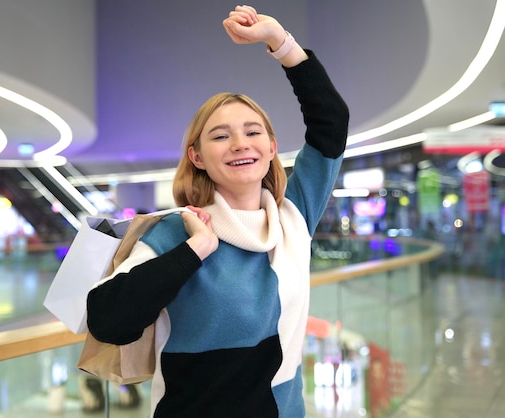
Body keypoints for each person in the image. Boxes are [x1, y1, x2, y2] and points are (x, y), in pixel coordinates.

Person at [86, 5, 349, 417]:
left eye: (253, 132)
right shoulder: (176, 232)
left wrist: (280, 42)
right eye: (221, 136)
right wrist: (195, 250)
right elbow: (109, 320)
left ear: (272, 147)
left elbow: (330, 123)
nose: (241, 144)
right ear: (198, 157)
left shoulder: (292, 216)